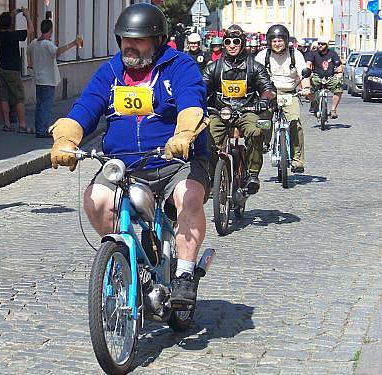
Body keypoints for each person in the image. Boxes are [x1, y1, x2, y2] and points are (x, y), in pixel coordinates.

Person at [49, 3, 210, 306]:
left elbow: (192, 100)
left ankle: (186, 274)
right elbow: (86, 106)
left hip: (177, 160)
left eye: (138, 39)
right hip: (125, 163)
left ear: (158, 40)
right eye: (124, 38)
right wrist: (66, 139)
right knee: (96, 200)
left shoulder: (179, 66)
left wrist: (184, 134)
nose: (129, 46)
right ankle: (132, 263)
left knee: (188, 197)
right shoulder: (110, 71)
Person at [203, 24, 276, 194]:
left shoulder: (255, 67)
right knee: (205, 137)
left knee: (256, 131)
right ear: (224, 44)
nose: (232, 45)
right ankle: (214, 175)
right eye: (228, 42)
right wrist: (195, 100)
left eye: (236, 41)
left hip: (247, 111)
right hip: (220, 113)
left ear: (242, 43)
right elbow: (201, 87)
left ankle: (252, 174)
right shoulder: (214, 67)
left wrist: (264, 100)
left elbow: (268, 88)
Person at [255, 24, 311, 173]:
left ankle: (297, 160)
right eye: (274, 41)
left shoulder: (296, 54)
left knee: (295, 123)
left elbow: (303, 73)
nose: (277, 44)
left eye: (280, 40)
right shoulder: (262, 56)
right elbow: (254, 76)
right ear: (269, 42)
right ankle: (264, 143)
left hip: (289, 93)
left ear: (286, 41)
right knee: (263, 120)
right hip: (269, 93)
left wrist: (306, 88)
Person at [27, 20, 82, 138]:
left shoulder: (34, 43)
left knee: (40, 105)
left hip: (38, 79)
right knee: (46, 107)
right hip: (48, 80)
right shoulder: (47, 44)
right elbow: (58, 52)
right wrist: (73, 43)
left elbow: (28, 53)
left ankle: (39, 128)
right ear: (51, 31)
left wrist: (31, 64)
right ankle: (42, 130)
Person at [0, 7, 34, 133]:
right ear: (10, 24)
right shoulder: (14, 35)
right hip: (13, 71)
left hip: (0, 69)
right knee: (18, 98)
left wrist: (13, 14)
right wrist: (27, 15)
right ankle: (22, 125)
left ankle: (7, 124)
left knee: (3, 97)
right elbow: (31, 30)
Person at [306, 37, 343, 119]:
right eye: (319, 44)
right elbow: (308, 63)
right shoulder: (313, 53)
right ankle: (314, 104)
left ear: (327, 45)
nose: (320, 46)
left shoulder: (332, 53)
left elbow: (339, 64)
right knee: (308, 89)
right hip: (317, 77)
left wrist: (339, 73)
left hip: (330, 77)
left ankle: (333, 110)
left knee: (339, 89)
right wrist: (307, 71)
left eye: (322, 44)